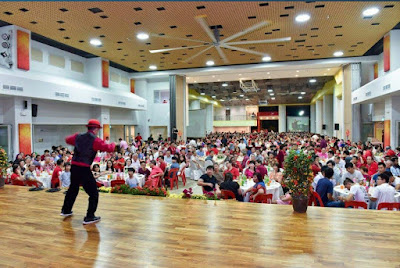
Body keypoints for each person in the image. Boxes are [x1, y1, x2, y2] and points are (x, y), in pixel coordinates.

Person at [61, 119, 116, 225]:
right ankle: (89, 216)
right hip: (84, 168)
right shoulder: (95, 140)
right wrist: (114, 144)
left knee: (73, 188)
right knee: (94, 193)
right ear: (95, 129)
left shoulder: (78, 136)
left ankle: (66, 210)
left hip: (74, 166)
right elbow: (108, 148)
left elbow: (67, 139)